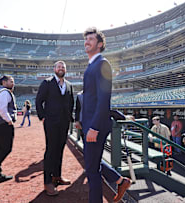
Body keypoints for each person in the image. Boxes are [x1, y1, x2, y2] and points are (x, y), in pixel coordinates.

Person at [82, 27, 132, 203]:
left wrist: (94, 126)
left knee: (92, 170)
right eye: (86, 39)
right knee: (92, 164)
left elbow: (104, 99)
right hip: (89, 124)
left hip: (96, 126)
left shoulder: (102, 64)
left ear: (100, 44)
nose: (87, 41)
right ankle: (121, 180)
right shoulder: (92, 65)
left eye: (91, 39)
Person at [36, 60, 74, 196]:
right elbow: (39, 100)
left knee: (60, 149)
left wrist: (70, 118)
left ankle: (57, 176)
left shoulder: (69, 85)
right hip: (51, 122)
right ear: (54, 69)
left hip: (64, 123)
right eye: (59, 66)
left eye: (63, 67)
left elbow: (71, 103)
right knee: (51, 150)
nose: (61, 68)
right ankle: (47, 182)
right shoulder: (47, 83)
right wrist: (43, 117)